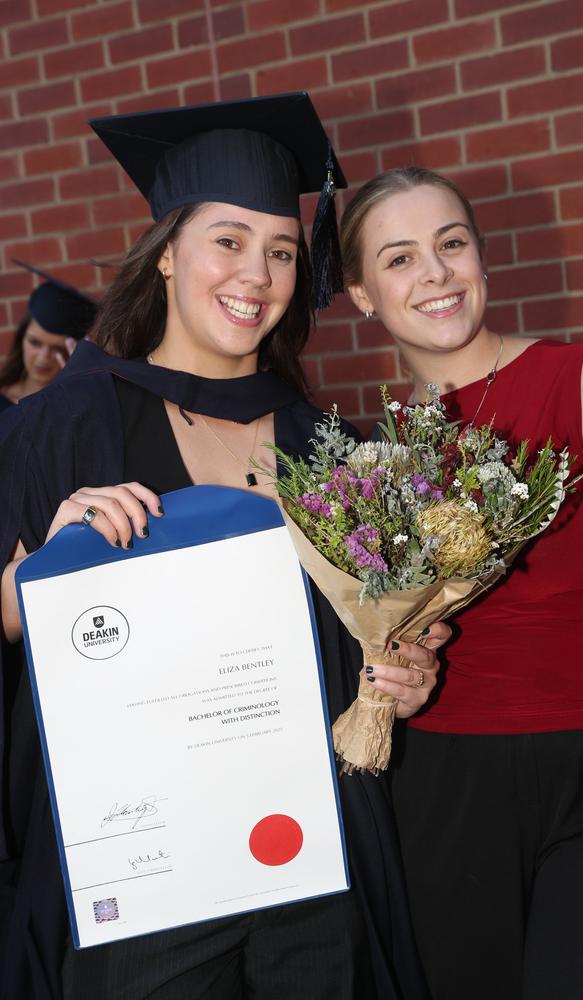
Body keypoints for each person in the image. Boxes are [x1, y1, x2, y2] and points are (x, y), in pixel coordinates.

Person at [0, 96, 448, 1000]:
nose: (259, 273)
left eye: (282, 250)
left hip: (312, 872)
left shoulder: (335, 450)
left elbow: (367, 651)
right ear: (166, 250)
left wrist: (405, 673)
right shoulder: (62, 428)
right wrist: (42, 569)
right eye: (229, 240)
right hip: (145, 880)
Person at [339, 166, 583, 1000]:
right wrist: (398, 676)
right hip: (445, 791)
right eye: (400, 259)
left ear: (481, 256)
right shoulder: (376, 464)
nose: (436, 274)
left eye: (451, 244)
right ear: (363, 293)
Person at [0, 263, 97, 411]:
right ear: (22, 338)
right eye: (35, 343)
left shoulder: (76, 407)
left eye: (57, 348)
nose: (44, 357)